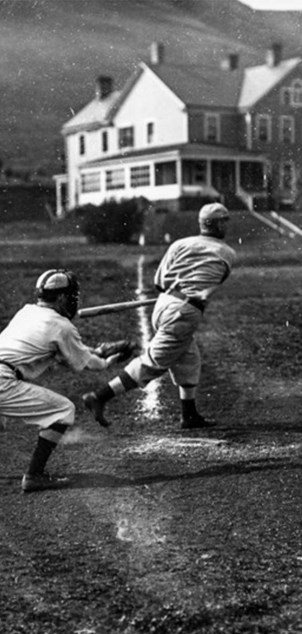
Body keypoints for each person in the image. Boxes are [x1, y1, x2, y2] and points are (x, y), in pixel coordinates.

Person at [82, 202, 236, 430]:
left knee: (189, 357)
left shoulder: (179, 244)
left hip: (165, 304)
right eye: (225, 221)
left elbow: (158, 282)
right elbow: (208, 285)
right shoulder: (227, 254)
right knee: (154, 362)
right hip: (184, 311)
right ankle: (99, 396)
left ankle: (189, 415)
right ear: (218, 224)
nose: (227, 225)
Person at [0, 269, 124, 493]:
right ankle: (34, 476)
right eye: (69, 296)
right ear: (60, 298)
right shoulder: (62, 326)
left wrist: (95, 351)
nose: (72, 300)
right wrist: (106, 360)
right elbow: (84, 363)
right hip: (3, 381)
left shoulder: (25, 312)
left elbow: (59, 352)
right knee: (63, 409)